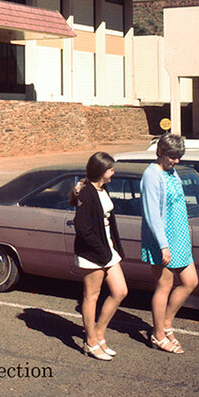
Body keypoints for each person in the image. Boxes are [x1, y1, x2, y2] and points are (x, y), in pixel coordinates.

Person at [140, 132, 198, 354]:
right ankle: (158, 334)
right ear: (161, 152)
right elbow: (152, 214)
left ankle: (165, 324)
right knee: (164, 286)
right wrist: (163, 245)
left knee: (190, 281)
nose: (177, 161)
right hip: (161, 239)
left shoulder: (172, 172)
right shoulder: (151, 175)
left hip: (179, 236)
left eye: (178, 156)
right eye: (173, 157)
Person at [70, 152, 128, 361]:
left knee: (120, 291)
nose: (114, 172)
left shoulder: (103, 189)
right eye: (111, 169)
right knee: (91, 296)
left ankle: (99, 333)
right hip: (92, 253)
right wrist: (101, 252)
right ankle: (90, 341)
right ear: (102, 171)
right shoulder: (86, 194)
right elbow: (82, 228)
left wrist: (112, 250)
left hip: (106, 250)